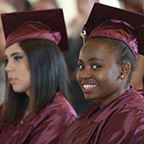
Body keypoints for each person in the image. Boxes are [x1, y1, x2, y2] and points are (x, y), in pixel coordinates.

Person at [63, 3, 144, 144]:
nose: (84, 74)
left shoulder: (136, 117)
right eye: (81, 66)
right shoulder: (96, 111)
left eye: (96, 66)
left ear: (124, 70)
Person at [0, 9, 77, 144]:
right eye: (7, 60)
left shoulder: (59, 116)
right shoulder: (14, 108)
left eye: (17, 58)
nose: (8, 68)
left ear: (42, 61)